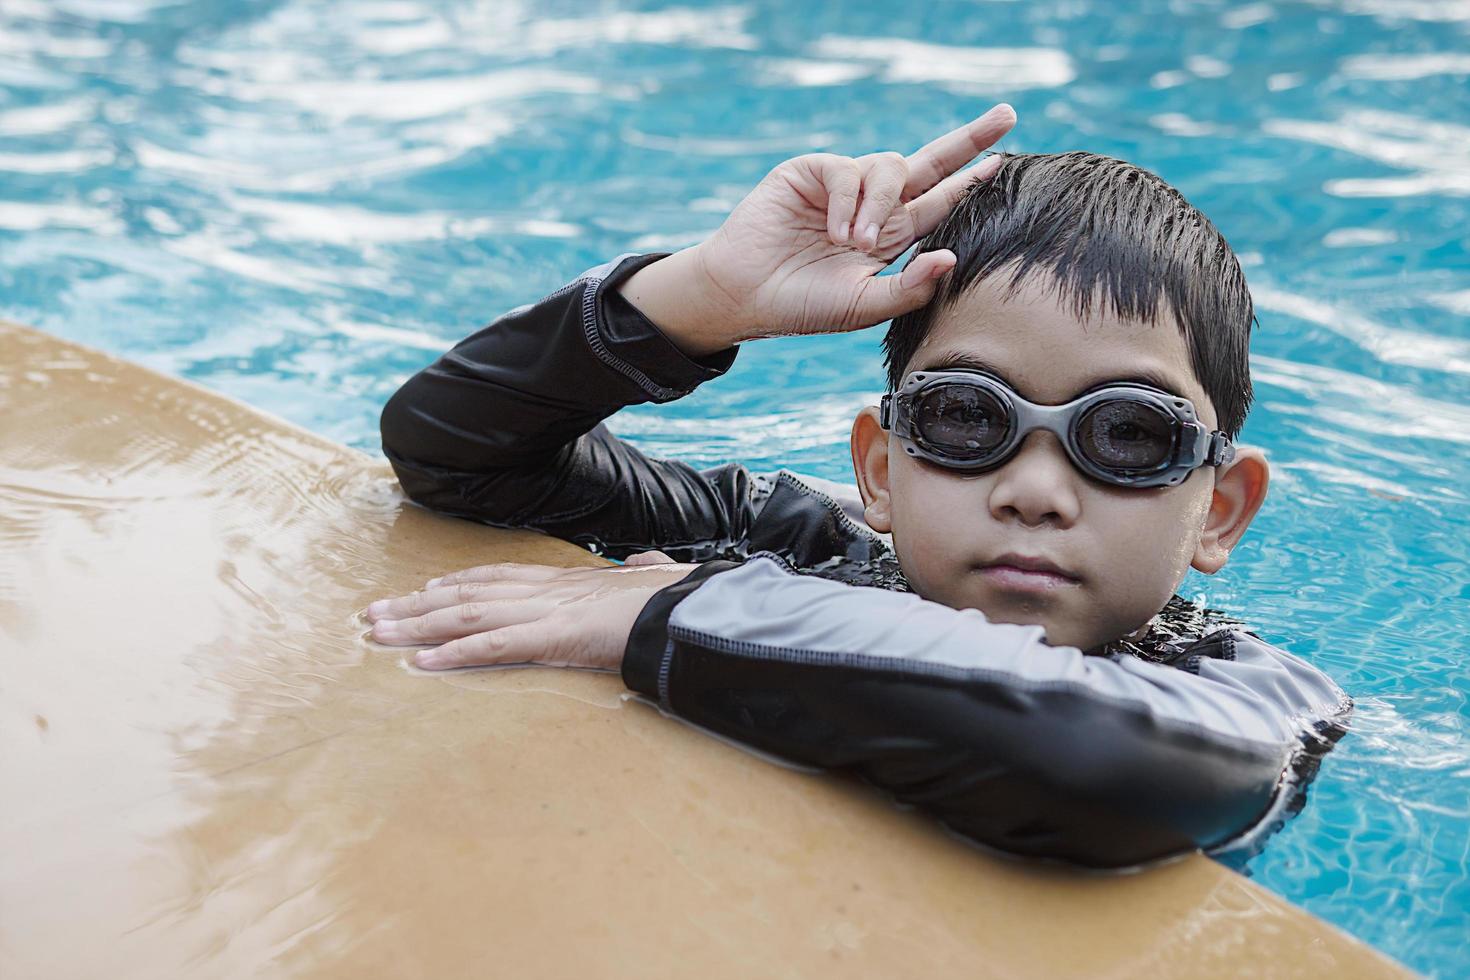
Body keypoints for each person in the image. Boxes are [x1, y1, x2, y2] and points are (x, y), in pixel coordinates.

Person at [367, 104, 1352, 868]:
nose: (1036, 490)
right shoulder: (808, 546)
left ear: (1217, 507)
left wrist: (675, 611)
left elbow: (1099, 766)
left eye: (1127, 434)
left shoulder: (1250, 693)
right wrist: (701, 296)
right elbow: (459, 457)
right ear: (881, 469)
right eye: (969, 417)